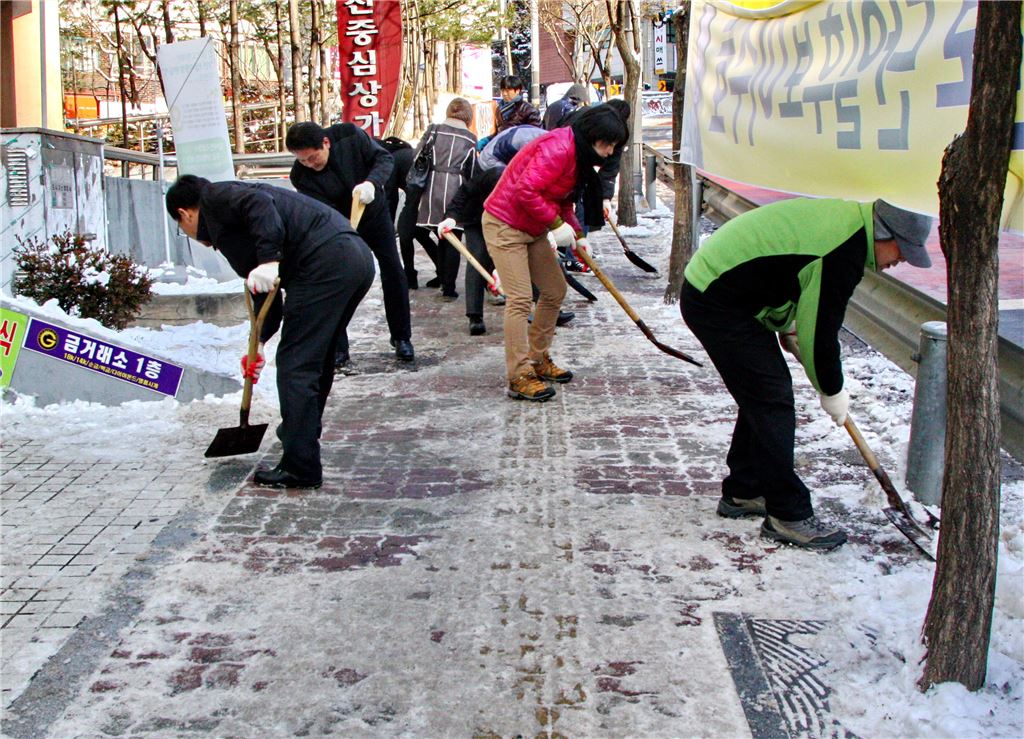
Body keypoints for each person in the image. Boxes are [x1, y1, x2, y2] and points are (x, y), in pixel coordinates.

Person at [680, 197, 933, 550]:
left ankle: (745, 490)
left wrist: (788, 320)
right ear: (883, 233)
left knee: (762, 393)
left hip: (727, 291)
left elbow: (792, 273)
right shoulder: (844, 249)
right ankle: (787, 513)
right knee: (772, 399)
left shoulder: (849, 224)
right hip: (717, 299)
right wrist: (832, 388)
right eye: (903, 250)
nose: (902, 259)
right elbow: (822, 333)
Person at [165, 175, 375, 489]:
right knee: (315, 359)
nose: (191, 236)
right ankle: (299, 435)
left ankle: (300, 465)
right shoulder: (232, 225)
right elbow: (266, 290)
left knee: (296, 366)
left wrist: (270, 260)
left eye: (183, 230)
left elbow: (260, 208)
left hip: (326, 263)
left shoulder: (217, 197)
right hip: (350, 260)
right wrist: (259, 341)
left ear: (185, 214)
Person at [482, 105, 628, 401]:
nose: (611, 151)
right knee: (520, 299)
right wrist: (556, 225)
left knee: (554, 289)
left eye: (615, 145)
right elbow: (526, 190)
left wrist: (577, 234)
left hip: (532, 225)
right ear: (592, 136)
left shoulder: (578, 158)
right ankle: (519, 375)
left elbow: (562, 200)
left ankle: (537, 358)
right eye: (608, 144)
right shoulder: (559, 148)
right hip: (505, 223)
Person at [286, 121, 414, 365]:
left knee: (393, 271)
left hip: (374, 213)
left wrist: (371, 183)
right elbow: (319, 210)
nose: (309, 165)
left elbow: (384, 159)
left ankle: (401, 337)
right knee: (338, 280)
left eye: (313, 158)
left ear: (325, 143)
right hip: (339, 226)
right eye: (302, 161)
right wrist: (340, 230)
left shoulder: (349, 136)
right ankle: (338, 346)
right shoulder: (300, 176)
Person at [413, 97, 479, 300]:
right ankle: (448, 288)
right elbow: (472, 170)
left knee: (438, 234)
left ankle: (442, 278)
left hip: (431, 188)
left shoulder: (434, 130)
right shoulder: (470, 138)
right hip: (456, 189)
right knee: (452, 239)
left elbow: (416, 156)